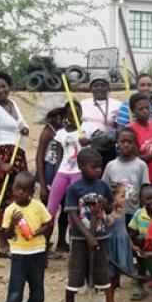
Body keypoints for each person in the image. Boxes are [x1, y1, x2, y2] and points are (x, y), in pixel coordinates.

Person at [61, 148, 113, 302]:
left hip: (101, 236)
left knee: (99, 274)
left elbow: (110, 209)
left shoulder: (103, 186)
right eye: (93, 167)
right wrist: (87, 235)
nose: (98, 170)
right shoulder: (74, 188)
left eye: (100, 167)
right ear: (81, 167)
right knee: (75, 275)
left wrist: (106, 205)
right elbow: (72, 214)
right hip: (80, 238)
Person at [0, 70, 29, 259]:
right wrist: (1, 163)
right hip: (2, 156)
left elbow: (22, 124)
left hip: (18, 154)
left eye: (3, 86)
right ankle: (2, 244)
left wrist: (23, 128)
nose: (1, 90)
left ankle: (18, 237)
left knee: (21, 196)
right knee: (3, 199)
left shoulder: (13, 104)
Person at [0, 171, 52, 302]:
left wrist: (37, 233)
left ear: (31, 192)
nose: (20, 192)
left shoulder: (38, 206)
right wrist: (13, 224)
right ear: (12, 189)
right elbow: (7, 235)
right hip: (19, 254)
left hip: (37, 252)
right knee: (16, 288)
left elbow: (49, 223)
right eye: (17, 188)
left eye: (25, 189)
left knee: (37, 287)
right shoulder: (10, 210)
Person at [46, 101, 98, 254]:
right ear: (67, 116)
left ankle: (76, 249)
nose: (74, 116)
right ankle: (43, 247)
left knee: (75, 210)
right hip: (63, 171)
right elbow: (59, 156)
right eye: (71, 113)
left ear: (81, 113)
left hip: (79, 172)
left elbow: (106, 139)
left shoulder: (87, 128)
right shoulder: (61, 133)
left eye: (77, 113)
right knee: (50, 209)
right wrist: (56, 176)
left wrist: (90, 141)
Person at [101, 127, 150, 224]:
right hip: (115, 213)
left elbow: (145, 191)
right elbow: (104, 188)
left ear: (135, 144)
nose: (126, 145)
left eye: (129, 142)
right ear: (118, 143)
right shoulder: (111, 165)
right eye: (123, 141)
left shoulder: (141, 165)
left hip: (134, 213)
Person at [35, 105, 66, 252]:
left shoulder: (66, 130)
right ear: (50, 118)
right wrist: (42, 185)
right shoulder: (48, 132)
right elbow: (39, 157)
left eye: (61, 116)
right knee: (49, 211)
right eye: (56, 116)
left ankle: (61, 241)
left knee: (66, 209)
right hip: (48, 173)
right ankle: (44, 244)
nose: (59, 119)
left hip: (64, 173)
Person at [80, 70, 121, 168]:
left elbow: (120, 128)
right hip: (88, 149)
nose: (99, 88)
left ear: (108, 87)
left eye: (103, 85)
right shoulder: (83, 104)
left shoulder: (117, 105)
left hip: (109, 149)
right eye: (96, 85)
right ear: (91, 88)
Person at [106, 183, 134, 302]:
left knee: (116, 277)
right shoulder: (109, 216)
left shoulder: (120, 212)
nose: (125, 198)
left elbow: (124, 232)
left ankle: (112, 301)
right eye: (122, 196)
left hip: (121, 248)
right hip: (113, 249)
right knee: (110, 277)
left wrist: (132, 245)